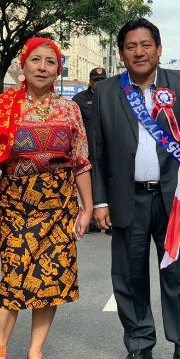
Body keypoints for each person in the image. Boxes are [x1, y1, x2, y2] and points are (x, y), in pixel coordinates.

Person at [89, 18, 180, 359]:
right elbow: (97, 153)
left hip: (173, 198)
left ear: (159, 49)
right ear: (121, 53)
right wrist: (100, 202)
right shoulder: (107, 91)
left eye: (146, 45)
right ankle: (139, 345)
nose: (139, 52)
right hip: (126, 199)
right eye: (131, 46)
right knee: (128, 277)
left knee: (177, 275)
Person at [0, 37, 93, 359]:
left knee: (51, 280)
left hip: (60, 204)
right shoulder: (0, 109)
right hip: (17, 204)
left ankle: (35, 350)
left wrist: (86, 208)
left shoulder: (69, 109)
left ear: (58, 69)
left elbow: (81, 162)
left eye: (50, 62)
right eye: (35, 61)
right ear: (22, 66)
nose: (42, 67)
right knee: (14, 280)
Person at [73, 67, 107, 234]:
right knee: (91, 184)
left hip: (109, 146)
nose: (100, 83)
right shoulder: (79, 99)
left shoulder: (114, 96)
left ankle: (110, 220)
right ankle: (92, 219)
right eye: (96, 80)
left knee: (111, 182)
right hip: (89, 150)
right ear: (90, 81)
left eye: (102, 80)